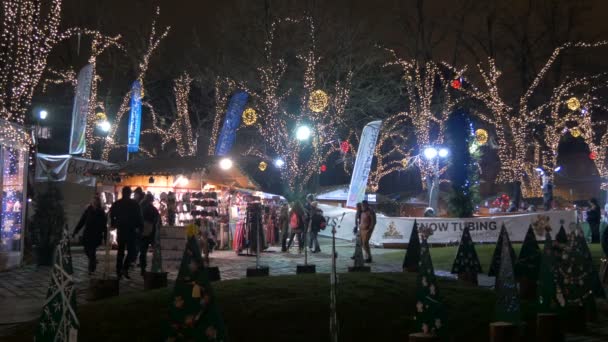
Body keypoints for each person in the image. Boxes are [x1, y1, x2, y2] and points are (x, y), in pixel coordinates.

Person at [109, 187, 144, 279]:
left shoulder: (117, 203)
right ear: (129, 193)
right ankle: (124, 268)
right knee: (131, 251)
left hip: (121, 230)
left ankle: (119, 270)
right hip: (131, 230)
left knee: (120, 251)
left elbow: (112, 214)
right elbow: (139, 217)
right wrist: (140, 227)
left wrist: (113, 223)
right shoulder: (134, 204)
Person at [72, 195, 107, 275]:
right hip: (87, 234)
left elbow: (104, 226)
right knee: (86, 250)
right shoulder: (88, 210)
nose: (94, 202)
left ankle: (91, 269)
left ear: (98, 202)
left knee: (92, 252)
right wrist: (75, 231)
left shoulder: (101, 212)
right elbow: (82, 221)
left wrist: (105, 237)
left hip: (96, 235)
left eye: (96, 201)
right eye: (93, 201)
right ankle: (93, 261)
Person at [139, 193, 160, 276]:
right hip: (152, 233)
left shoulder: (141, 207)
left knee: (143, 251)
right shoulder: (153, 209)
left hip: (143, 232)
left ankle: (143, 268)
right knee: (156, 250)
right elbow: (158, 220)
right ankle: (155, 266)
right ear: (151, 200)